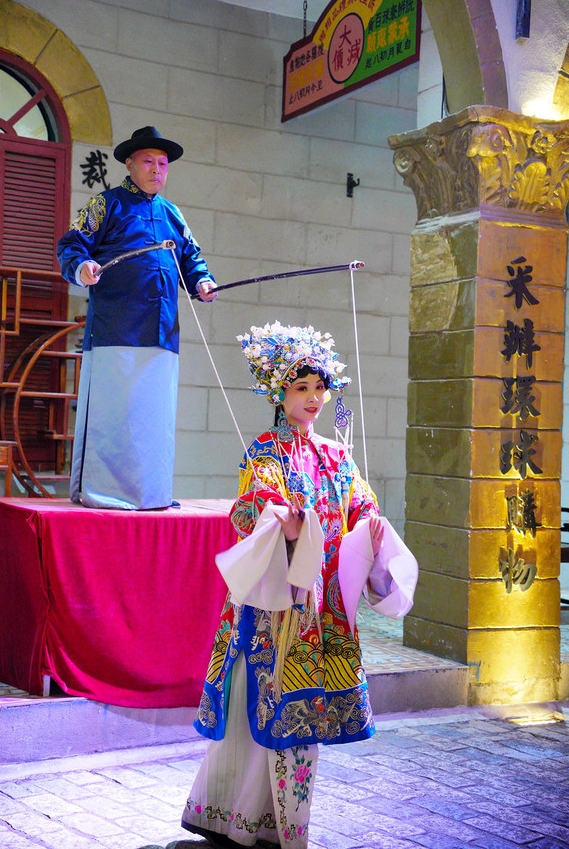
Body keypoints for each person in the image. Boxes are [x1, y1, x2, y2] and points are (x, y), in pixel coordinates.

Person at [180, 321, 418, 848]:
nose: (313, 398)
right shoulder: (266, 449)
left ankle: (271, 827)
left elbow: (361, 505)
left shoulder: (337, 454)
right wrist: (281, 520)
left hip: (323, 608)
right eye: (301, 388)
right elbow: (249, 509)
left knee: (299, 721)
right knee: (260, 709)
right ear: (279, 394)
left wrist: (371, 524)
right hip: (277, 606)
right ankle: (240, 820)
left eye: (319, 387)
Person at [57, 125, 217, 510]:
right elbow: (71, 246)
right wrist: (82, 268)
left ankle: (151, 493)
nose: (157, 170)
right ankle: (104, 492)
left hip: (162, 330)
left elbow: (191, 259)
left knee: (154, 418)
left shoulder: (172, 213)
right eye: (148, 161)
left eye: (163, 164)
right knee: (116, 416)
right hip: (116, 329)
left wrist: (202, 281)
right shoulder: (106, 204)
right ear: (129, 164)